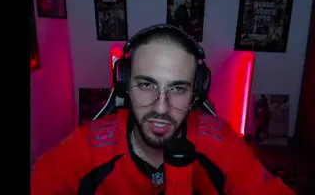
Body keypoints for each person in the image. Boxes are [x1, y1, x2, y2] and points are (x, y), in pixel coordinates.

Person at [32, 25, 294, 194]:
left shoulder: (219, 142)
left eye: (178, 88)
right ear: (124, 84)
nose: (161, 107)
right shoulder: (87, 147)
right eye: (146, 85)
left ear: (197, 91)